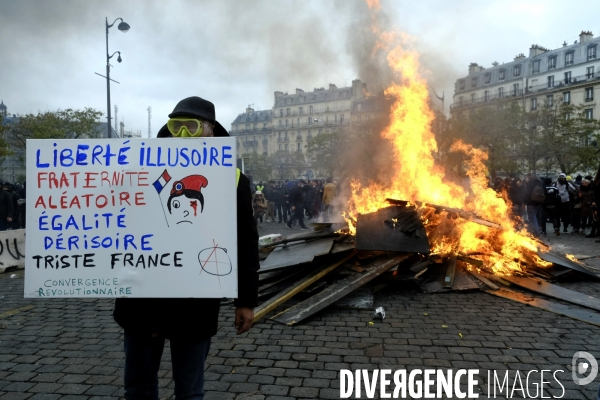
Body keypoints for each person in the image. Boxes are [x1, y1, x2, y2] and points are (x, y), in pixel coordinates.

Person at [113, 96, 259, 400]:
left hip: (195, 303)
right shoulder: (140, 174)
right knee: (137, 387)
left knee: (190, 391)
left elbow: (245, 242)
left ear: (210, 133)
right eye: (176, 127)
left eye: (191, 127)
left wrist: (245, 300)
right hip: (144, 300)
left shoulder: (233, 181)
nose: (182, 135)